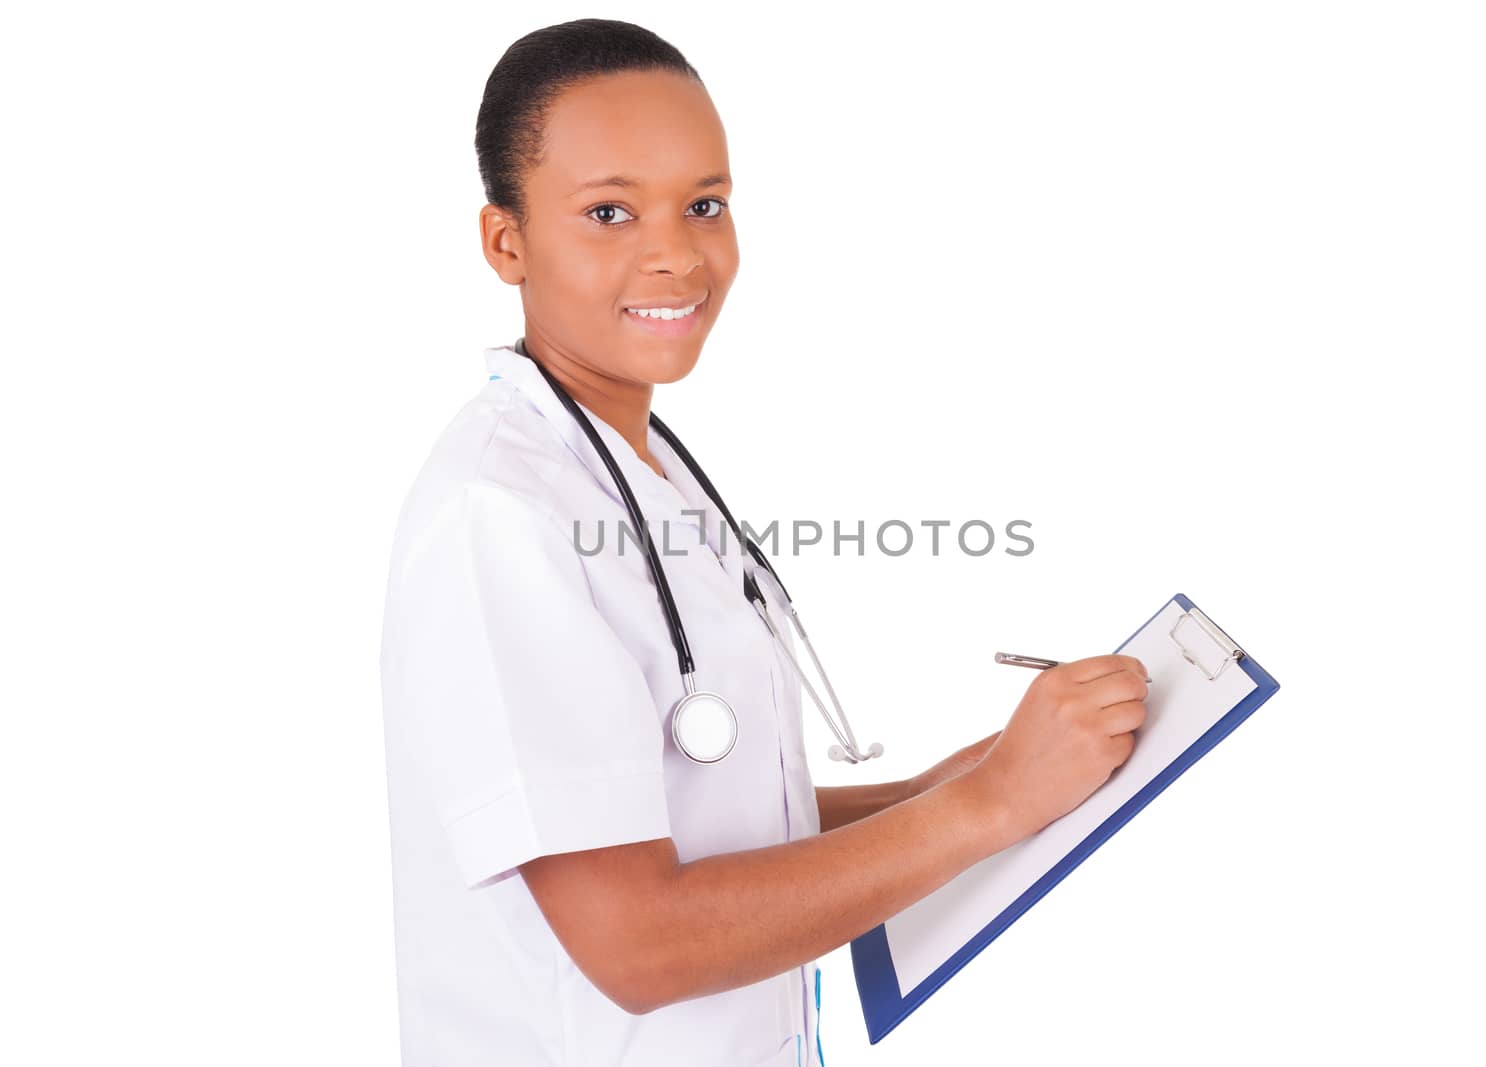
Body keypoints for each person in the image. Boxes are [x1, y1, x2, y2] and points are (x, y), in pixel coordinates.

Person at [378, 18, 1149, 1067]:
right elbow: (638, 941)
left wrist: (951, 781)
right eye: (609, 211)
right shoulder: (499, 513)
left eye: (705, 204)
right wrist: (989, 801)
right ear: (505, 241)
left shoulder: (632, 462)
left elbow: (708, 817)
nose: (676, 253)